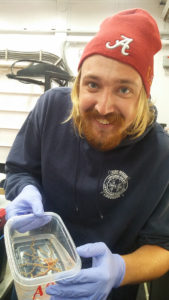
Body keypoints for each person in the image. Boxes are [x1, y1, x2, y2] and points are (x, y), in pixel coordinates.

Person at [4, 8, 169, 300]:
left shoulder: (162, 155)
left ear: (144, 95)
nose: (104, 107)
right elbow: (19, 170)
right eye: (93, 84)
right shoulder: (51, 108)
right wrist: (26, 190)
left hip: (106, 292)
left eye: (124, 89)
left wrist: (120, 269)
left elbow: (163, 247)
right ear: (79, 83)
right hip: (37, 276)